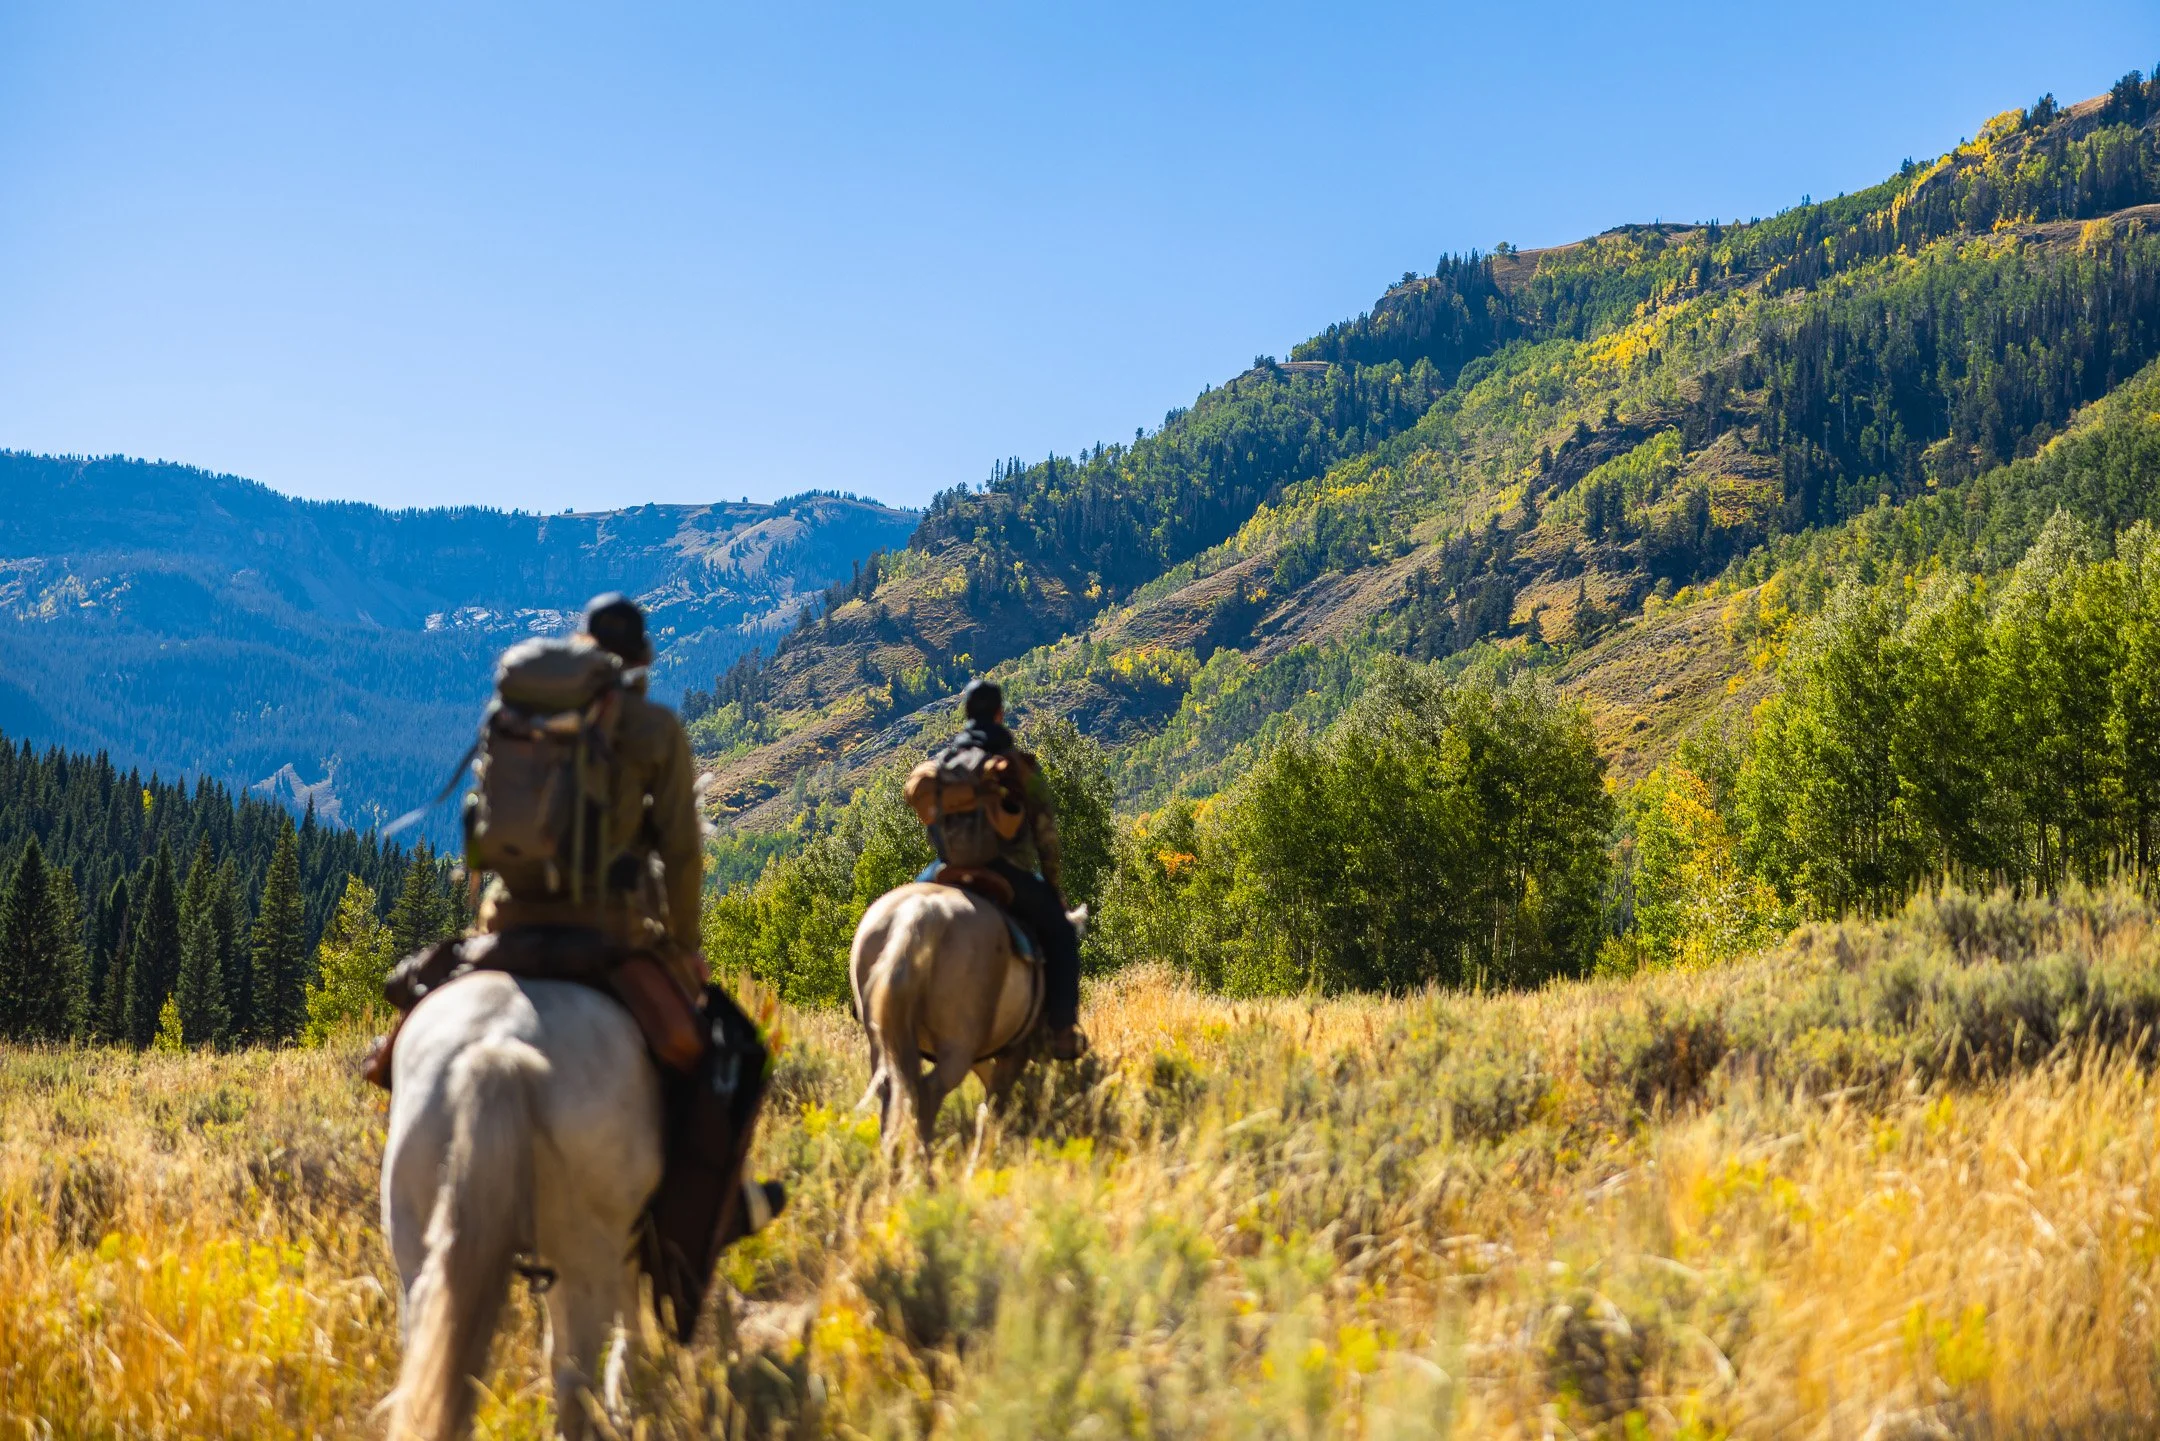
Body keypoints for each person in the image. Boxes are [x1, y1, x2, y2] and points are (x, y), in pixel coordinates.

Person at [476, 592, 708, 996]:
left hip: (509, 910)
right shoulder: (654, 727)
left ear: (582, 642)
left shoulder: (525, 712)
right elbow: (681, 848)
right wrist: (685, 946)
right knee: (699, 1028)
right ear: (642, 657)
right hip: (612, 920)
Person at [922, 678, 1088, 1060]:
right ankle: (1063, 1031)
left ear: (966, 714)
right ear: (1000, 714)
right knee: (1062, 933)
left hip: (947, 868)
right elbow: (1045, 832)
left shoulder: (944, 762)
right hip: (1003, 869)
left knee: (903, 904)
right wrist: (1053, 886)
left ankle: (865, 1000)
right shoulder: (1015, 764)